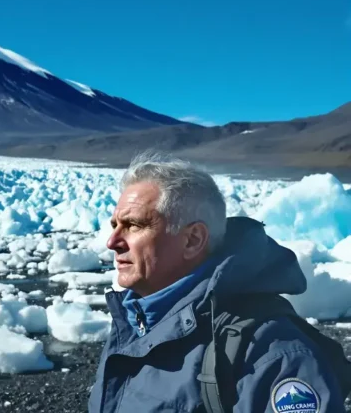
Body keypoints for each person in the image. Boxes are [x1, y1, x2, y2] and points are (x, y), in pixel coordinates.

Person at [88, 151, 351, 413]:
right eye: (114, 225)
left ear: (192, 240)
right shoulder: (134, 320)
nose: (112, 242)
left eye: (134, 225)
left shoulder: (270, 352)